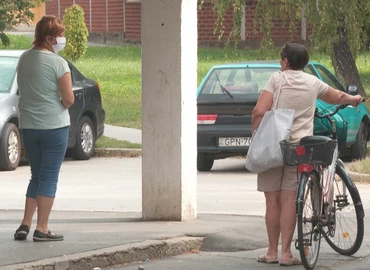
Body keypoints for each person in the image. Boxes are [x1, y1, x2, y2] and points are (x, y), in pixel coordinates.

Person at [252, 42, 362, 266]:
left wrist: (256, 132)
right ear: (305, 63)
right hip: (299, 148)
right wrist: (353, 99)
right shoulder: (313, 82)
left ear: (285, 61)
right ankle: (286, 254)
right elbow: (337, 97)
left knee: (271, 200)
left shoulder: (276, 79)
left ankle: (271, 252)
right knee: (290, 198)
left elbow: (259, 111)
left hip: (273, 145)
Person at [14, 15, 74, 242]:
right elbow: (68, 99)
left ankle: (25, 224)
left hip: (29, 126)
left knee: (36, 176)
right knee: (49, 177)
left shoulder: (24, 59)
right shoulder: (58, 63)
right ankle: (42, 228)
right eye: (60, 36)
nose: (62, 39)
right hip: (54, 127)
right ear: (50, 38)